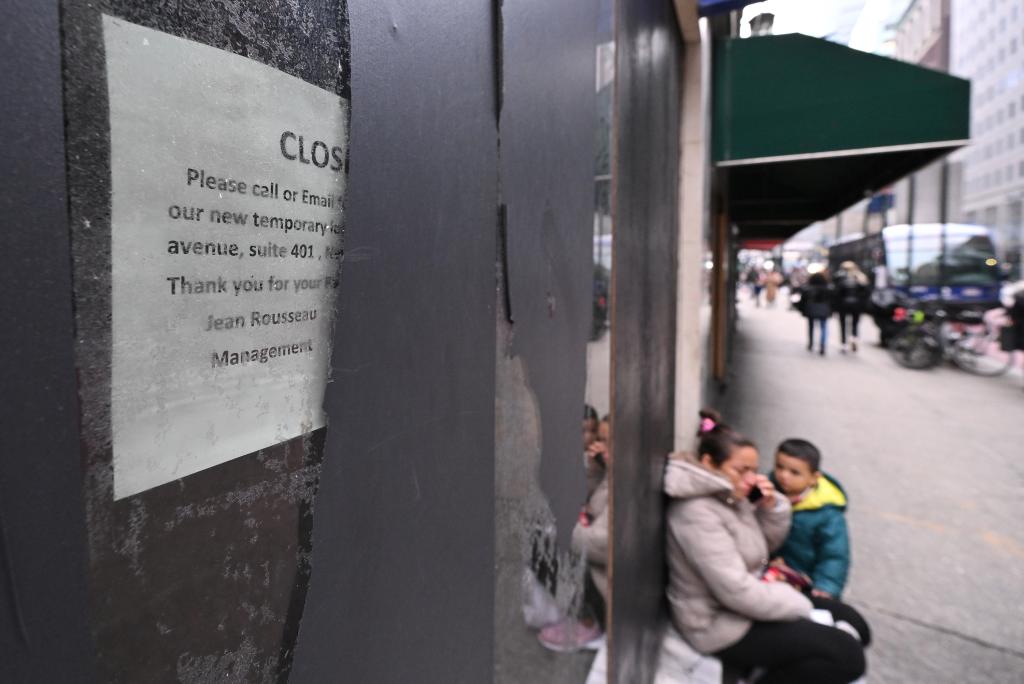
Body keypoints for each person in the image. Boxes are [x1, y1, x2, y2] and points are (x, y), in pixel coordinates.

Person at [664, 410, 868, 683]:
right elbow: (735, 591)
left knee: (857, 625)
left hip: (753, 596)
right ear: (708, 463)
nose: (751, 479)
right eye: (741, 470)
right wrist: (800, 606)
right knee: (847, 657)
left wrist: (771, 508)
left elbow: (761, 547)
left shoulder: (730, 493)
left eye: (754, 470)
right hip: (718, 623)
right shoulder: (696, 513)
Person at [538, 415, 609, 652]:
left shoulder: (626, 481)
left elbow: (602, 546)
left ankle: (589, 620)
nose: (601, 445)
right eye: (600, 439)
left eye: (610, 441)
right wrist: (597, 468)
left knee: (543, 543)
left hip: (607, 578)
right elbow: (587, 496)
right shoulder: (612, 471)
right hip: (594, 547)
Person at [770, 438, 850, 599]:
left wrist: (825, 587)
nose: (784, 475)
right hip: (772, 572)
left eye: (795, 472)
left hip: (806, 582)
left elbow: (834, 556)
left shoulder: (827, 514)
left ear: (814, 478)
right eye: (780, 467)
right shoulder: (767, 493)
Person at [832, 261, 870, 353]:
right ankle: (854, 339)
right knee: (855, 324)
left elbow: (836, 292)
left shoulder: (839, 278)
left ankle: (844, 344)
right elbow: (866, 292)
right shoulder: (861, 278)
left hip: (843, 305)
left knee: (843, 325)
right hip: (857, 305)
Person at [799, 272, 833, 355]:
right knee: (823, 327)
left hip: (811, 309)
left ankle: (811, 343)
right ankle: (822, 345)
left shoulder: (807, 288)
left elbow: (802, 301)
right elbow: (832, 300)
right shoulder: (828, 288)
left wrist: (802, 310)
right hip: (824, 310)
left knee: (811, 326)